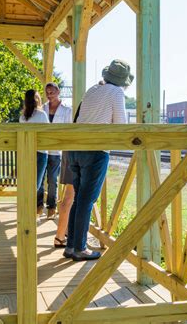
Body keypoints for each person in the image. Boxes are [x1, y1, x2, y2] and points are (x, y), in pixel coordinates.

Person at [63, 59, 132, 261]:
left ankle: (71, 245)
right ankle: (80, 248)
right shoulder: (117, 92)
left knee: (79, 198)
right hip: (96, 150)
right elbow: (120, 123)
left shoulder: (93, 89)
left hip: (76, 149)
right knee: (86, 200)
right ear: (122, 81)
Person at [39, 82, 72, 219]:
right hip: (42, 149)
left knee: (52, 179)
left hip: (56, 150)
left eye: (52, 92)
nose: (49, 95)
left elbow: (69, 129)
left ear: (58, 92)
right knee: (40, 179)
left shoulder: (67, 110)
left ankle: (51, 207)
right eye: (47, 93)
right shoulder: (42, 109)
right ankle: (38, 206)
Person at [19, 90, 49, 194]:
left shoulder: (22, 117)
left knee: (26, 183)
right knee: (35, 185)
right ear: (37, 100)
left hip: (26, 152)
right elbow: (48, 133)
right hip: (40, 152)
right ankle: (31, 209)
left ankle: (25, 208)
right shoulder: (42, 115)